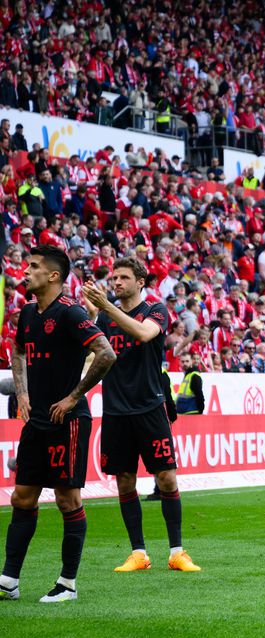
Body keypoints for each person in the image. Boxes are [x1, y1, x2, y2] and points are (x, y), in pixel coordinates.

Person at [0, 245, 115, 603]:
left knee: (67, 500)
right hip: (36, 420)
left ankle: (67, 583)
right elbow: (18, 351)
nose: (26, 271)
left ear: (53, 276)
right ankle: (9, 581)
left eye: (33, 266)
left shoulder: (70, 313)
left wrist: (73, 397)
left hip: (68, 421)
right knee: (22, 497)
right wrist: (21, 392)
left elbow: (106, 353)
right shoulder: (28, 314)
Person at [82, 258, 200, 573]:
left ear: (140, 282)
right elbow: (88, 354)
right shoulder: (104, 319)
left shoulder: (155, 310)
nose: (117, 282)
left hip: (150, 407)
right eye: (113, 277)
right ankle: (138, 553)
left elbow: (143, 334)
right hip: (116, 411)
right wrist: (92, 315)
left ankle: (176, 551)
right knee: (124, 480)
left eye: (123, 277)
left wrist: (105, 307)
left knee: (166, 477)